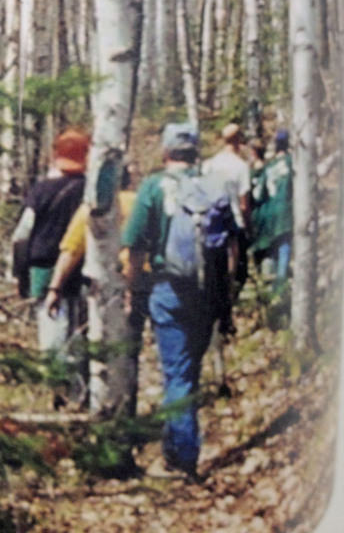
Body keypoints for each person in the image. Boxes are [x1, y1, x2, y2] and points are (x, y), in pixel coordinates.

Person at [122, 123, 237, 479]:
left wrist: (131, 289)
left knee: (177, 375)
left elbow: (135, 246)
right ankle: (173, 450)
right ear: (195, 152)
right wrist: (226, 295)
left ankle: (185, 456)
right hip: (207, 292)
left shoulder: (153, 186)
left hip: (168, 289)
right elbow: (233, 245)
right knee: (188, 370)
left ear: (165, 151)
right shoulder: (211, 186)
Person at [44, 164, 151, 416]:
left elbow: (71, 251)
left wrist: (55, 288)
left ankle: (95, 404)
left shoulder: (92, 210)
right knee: (129, 348)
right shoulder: (140, 204)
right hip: (140, 280)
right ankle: (126, 409)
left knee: (96, 344)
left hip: (100, 285)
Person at [11, 129, 90, 357]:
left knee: (52, 337)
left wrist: (20, 273)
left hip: (44, 272)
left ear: (56, 155)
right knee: (80, 337)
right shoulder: (90, 192)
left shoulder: (40, 191)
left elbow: (21, 235)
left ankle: (55, 376)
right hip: (82, 270)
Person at [202, 122, 252, 291]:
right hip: (234, 222)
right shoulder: (241, 166)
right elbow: (244, 204)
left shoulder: (210, 164)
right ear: (238, 140)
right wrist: (249, 226)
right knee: (233, 272)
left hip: (211, 222)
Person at [251, 129, 294, 285]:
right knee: (284, 243)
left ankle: (272, 281)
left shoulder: (269, 167)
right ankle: (281, 281)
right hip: (285, 208)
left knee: (274, 244)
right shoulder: (292, 162)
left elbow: (259, 194)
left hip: (270, 210)